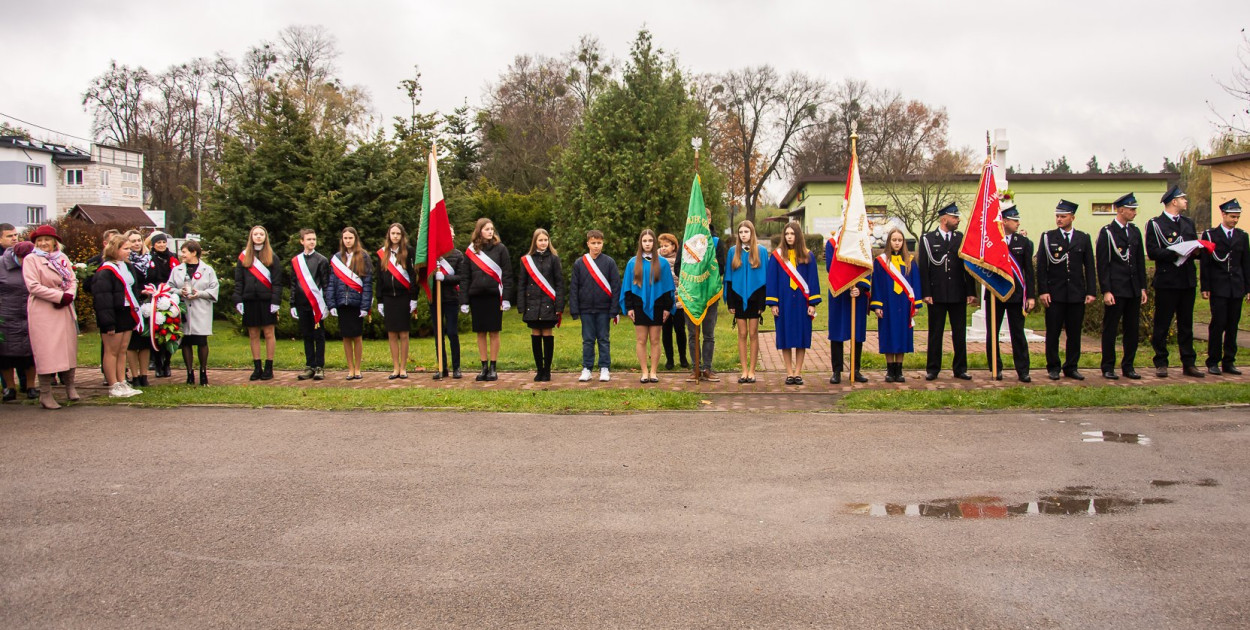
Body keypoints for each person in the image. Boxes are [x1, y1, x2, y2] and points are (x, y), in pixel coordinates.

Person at [1146, 184, 1204, 378]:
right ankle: (1161, 361)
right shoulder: (1156, 224)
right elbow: (1153, 251)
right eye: (1182, 198)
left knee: (1186, 324)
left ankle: (1189, 363)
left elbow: (1193, 247)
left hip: (1187, 280)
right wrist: (1176, 252)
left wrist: (1196, 251)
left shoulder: (1188, 223)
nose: (1185, 201)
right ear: (1173, 201)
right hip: (1167, 280)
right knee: (1162, 324)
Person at [1036, 199, 1097, 380]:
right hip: (1055, 293)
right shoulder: (1048, 237)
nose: (1059, 219)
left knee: (1074, 333)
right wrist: (1043, 291)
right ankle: (1053, 366)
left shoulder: (1083, 238)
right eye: (1057, 216)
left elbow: (1089, 267)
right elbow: (1041, 267)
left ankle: (1071, 366)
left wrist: (1091, 291)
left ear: (1072, 217)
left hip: (1076, 293)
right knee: (1053, 333)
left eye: (1063, 216)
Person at [21, 225, 79, 409]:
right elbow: (33, 286)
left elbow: (72, 280)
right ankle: (45, 393)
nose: (43, 243)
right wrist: (59, 296)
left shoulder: (62, 258)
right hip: (43, 309)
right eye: (40, 240)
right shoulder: (31, 259)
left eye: (47, 239)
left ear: (55, 242)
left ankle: (70, 386)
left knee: (68, 347)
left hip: (64, 308)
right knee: (47, 351)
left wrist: (69, 295)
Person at [918, 203, 974, 380]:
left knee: (959, 333)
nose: (958, 220)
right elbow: (924, 268)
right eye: (954, 217)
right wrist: (926, 293)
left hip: (958, 293)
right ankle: (933, 369)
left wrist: (971, 291)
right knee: (936, 333)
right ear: (944, 219)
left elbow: (968, 267)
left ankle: (960, 368)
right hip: (937, 294)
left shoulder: (960, 238)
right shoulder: (928, 239)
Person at [1096, 193, 1148, 380]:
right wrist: (1106, 290)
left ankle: (1128, 366)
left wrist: (1142, 287)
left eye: (1135, 209)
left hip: (1133, 288)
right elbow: (1103, 264)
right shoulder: (1108, 232)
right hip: (1116, 288)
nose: (1134, 212)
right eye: (1131, 209)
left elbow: (1139, 262)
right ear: (1120, 210)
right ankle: (1108, 366)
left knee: (1132, 329)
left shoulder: (1134, 231)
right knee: (1111, 328)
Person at [766, 221, 821, 385]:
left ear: (798, 236)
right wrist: (773, 303)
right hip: (784, 302)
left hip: (802, 303)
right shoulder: (777, 257)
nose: (789, 237)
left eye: (792, 234)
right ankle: (789, 373)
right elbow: (772, 280)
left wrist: (812, 304)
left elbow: (813, 280)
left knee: (801, 337)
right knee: (785, 336)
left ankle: (798, 372)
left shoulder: (808, 256)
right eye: (787, 234)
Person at [460, 218, 513, 382]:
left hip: (494, 296)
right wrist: (464, 300)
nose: (490, 232)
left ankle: (493, 367)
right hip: (477, 296)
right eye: (487, 229)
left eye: (492, 229)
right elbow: (465, 277)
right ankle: (484, 367)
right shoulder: (471, 251)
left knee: (494, 332)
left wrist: (506, 298)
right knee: (480, 332)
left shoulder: (500, 249)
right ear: (479, 231)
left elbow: (507, 274)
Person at [1201, 199, 1250, 375]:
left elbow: (1246, 264)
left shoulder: (1242, 236)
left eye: (1237, 217)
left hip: (1236, 287)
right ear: (1223, 214)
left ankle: (1229, 361)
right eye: (1232, 216)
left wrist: (1248, 288)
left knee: (1232, 325)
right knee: (1218, 323)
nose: (1235, 220)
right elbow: (1205, 263)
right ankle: (1213, 361)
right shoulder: (1211, 235)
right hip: (1219, 286)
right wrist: (1205, 286)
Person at [988, 205, 1037, 382]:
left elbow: (1029, 272)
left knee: (1018, 333)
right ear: (1004, 221)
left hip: (1016, 295)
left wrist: (1030, 296)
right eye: (1014, 220)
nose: (1018, 223)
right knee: (992, 333)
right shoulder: (991, 241)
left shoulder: (1023, 242)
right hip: (995, 293)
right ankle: (995, 367)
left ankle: (1023, 370)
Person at [91, 233, 144, 397]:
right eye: (125, 248)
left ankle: (122, 381)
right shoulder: (105, 271)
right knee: (111, 351)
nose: (129, 251)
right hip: (113, 313)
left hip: (127, 311)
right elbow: (102, 299)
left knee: (122, 350)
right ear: (115, 249)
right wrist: (108, 322)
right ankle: (113, 384)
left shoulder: (126, 266)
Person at [871, 227, 924, 382]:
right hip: (887, 303)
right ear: (889, 242)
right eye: (894, 240)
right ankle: (889, 370)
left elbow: (915, 283)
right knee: (888, 334)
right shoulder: (881, 262)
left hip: (904, 304)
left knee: (902, 335)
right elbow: (877, 284)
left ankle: (899, 370)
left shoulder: (910, 261)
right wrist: (877, 305)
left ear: (903, 242)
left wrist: (916, 304)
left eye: (900, 240)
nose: (897, 243)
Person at [621, 229, 674, 383]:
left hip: (658, 305)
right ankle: (644, 372)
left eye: (650, 241)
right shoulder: (632, 263)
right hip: (638, 306)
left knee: (655, 340)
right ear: (640, 243)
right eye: (644, 241)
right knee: (641, 340)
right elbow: (628, 288)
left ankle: (653, 372)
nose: (647, 244)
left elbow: (667, 288)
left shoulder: (662, 263)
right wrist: (629, 307)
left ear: (654, 243)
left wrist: (667, 308)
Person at [569, 229, 620, 383]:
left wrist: (614, 309)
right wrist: (574, 309)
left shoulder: (609, 262)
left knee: (604, 339)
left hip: (604, 308)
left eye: (599, 243)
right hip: (585, 309)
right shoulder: (579, 263)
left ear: (603, 243)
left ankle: (604, 368)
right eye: (593, 243)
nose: (596, 246)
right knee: (588, 340)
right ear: (588, 244)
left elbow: (616, 286)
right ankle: (587, 368)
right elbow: (574, 287)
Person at [233, 225, 282, 381]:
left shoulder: (272, 257)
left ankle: (269, 367)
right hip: (249, 300)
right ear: (251, 237)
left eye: (261, 234)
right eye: (256, 234)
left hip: (267, 301)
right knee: (253, 334)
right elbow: (239, 281)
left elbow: (277, 282)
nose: (259, 236)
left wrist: (276, 301)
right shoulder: (244, 257)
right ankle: (257, 367)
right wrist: (238, 299)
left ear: (265, 237)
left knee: (268, 333)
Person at [325, 227, 373, 381]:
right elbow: (331, 282)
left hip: (356, 303)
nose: (347, 241)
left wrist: (365, 306)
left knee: (357, 337)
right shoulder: (337, 258)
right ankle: (350, 369)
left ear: (355, 239)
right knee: (346, 337)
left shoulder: (364, 257)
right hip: (342, 303)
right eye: (345, 238)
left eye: (350, 238)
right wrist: (331, 304)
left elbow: (367, 283)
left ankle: (358, 369)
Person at [168, 240, 217, 386]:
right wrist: (179, 292)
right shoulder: (177, 270)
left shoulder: (207, 270)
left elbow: (214, 288)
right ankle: (189, 373)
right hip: (184, 310)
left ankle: (203, 372)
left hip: (201, 310)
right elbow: (169, 287)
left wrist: (199, 293)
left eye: (184, 252)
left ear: (194, 252)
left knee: (201, 341)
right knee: (186, 342)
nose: (182, 255)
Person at [517, 228, 563, 382]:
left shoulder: (554, 259)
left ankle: (547, 370)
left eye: (545, 240)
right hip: (532, 304)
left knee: (547, 334)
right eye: (540, 240)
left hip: (549, 304)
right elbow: (522, 284)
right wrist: (521, 306)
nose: (543, 243)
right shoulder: (527, 260)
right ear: (535, 242)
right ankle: (539, 370)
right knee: (536, 335)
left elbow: (559, 283)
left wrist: (559, 306)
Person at [825, 232, 870, 384]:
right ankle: (836, 370)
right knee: (837, 331)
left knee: (857, 332)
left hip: (857, 294)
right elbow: (831, 267)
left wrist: (860, 288)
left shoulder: (862, 242)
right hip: (838, 291)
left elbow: (867, 267)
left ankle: (855, 370)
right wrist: (847, 283)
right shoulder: (832, 244)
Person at [727, 221, 769, 384]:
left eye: (746, 231)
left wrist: (762, 303)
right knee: (742, 333)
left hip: (755, 298)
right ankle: (744, 370)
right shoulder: (733, 252)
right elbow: (729, 278)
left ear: (752, 233)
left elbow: (765, 278)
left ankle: (752, 371)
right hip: (738, 298)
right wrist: (731, 302)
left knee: (753, 333)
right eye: (741, 232)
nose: (743, 234)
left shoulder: (761, 251)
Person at [376, 223, 418, 379]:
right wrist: (379, 300)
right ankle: (395, 368)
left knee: (404, 333)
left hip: (404, 296)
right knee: (392, 334)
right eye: (392, 233)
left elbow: (413, 276)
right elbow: (379, 278)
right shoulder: (383, 253)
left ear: (402, 236)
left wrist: (414, 297)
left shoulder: (409, 251)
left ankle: (403, 368)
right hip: (388, 298)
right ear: (389, 235)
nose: (395, 236)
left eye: (398, 234)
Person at [289, 228, 330, 381]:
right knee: (307, 335)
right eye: (309, 239)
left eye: (314, 239)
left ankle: (319, 366)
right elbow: (293, 283)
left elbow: (325, 283)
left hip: (316, 305)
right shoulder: (296, 261)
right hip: (302, 304)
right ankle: (309, 365)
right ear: (302, 241)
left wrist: (327, 304)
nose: (312, 242)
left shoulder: (322, 260)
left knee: (319, 335)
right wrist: (292, 303)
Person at [685, 224, 722, 382]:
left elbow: (721, 267)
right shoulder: (687, 240)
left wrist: (706, 277)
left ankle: (707, 368)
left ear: (710, 220)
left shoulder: (716, 242)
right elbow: (680, 266)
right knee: (693, 334)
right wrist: (693, 279)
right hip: (692, 295)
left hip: (709, 294)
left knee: (708, 333)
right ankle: (695, 368)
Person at [1, 241, 36, 401]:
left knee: (30, 353)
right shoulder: (2, 264)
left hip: (31, 314)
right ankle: (10, 388)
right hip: (6, 316)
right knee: (5, 354)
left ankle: (30, 387)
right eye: (23, 259)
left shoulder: (36, 263)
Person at [429, 238, 463, 380]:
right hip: (435, 299)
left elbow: (460, 277)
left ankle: (457, 367)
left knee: (452, 332)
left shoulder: (457, 255)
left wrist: (445, 278)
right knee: (438, 334)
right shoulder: (432, 255)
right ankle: (442, 367)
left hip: (451, 299)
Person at [122, 230, 153, 387]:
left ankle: (144, 375)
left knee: (145, 342)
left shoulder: (149, 259)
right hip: (133, 304)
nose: (137, 243)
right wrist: (140, 292)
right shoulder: (126, 263)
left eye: (139, 240)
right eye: (133, 241)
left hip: (148, 305)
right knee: (132, 344)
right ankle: (134, 376)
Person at [145, 232, 177, 378]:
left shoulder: (172, 257)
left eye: (163, 242)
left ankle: (167, 363)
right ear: (153, 244)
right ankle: (157, 362)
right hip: (154, 297)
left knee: (170, 329)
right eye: (158, 242)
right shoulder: (149, 259)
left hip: (170, 296)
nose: (162, 245)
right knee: (156, 330)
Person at [657, 233, 689, 371]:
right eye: (661, 246)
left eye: (666, 245)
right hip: (663, 301)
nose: (663, 248)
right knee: (666, 331)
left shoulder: (681, 259)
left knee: (680, 330)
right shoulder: (656, 260)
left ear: (674, 246)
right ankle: (669, 359)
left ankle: (683, 358)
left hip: (678, 300)